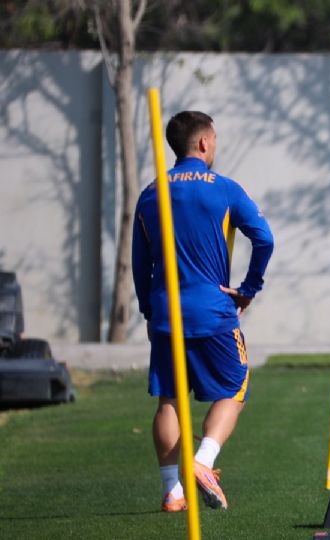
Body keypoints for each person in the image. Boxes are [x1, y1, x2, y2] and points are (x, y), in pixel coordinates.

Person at [132, 111, 274, 511]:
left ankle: (172, 492)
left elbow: (139, 264)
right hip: (213, 311)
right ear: (204, 143)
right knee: (237, 386)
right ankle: (203, 462)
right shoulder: (225, 189)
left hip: (165, 313)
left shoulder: (150, 192)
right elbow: (264, 239)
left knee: (169, 400)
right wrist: (248, 290)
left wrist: (147, 310)